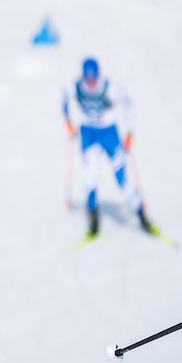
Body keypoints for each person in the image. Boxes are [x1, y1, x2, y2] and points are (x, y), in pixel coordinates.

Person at [62, 57, 155, 238]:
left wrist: (129, 132)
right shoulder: (77, 86)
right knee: (90, 175)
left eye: (93, 78)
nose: (90, 83)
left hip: (109, 134)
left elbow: (127, 104)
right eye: (87, 79)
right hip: (88, 134)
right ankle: (93, 217)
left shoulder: (110, 88)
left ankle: (140, 213)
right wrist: (67, 121)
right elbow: (63, 96)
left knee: (121, 177)